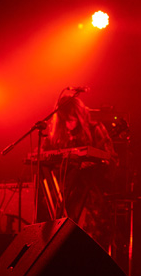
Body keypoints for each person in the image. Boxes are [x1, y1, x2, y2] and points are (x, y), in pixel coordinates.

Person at [40, 95, 116, 247]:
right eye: (64, 120)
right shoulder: (56, 134)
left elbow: (112, 158)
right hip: (62, 195)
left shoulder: (95, 129)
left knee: (88, 240)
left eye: (71, 119)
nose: (68, 124)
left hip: (90, 194)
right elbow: (43, 155)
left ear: (79, 116)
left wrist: (94, 162)